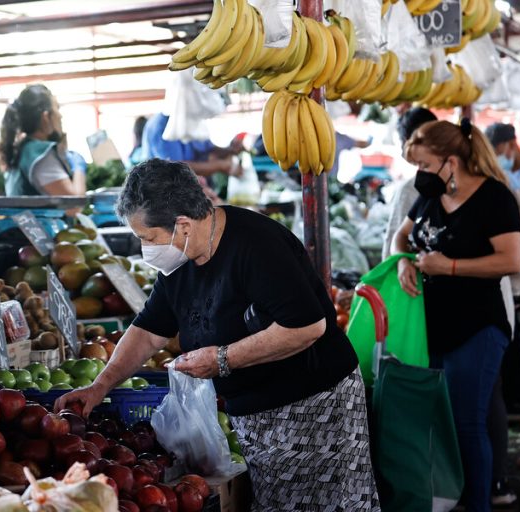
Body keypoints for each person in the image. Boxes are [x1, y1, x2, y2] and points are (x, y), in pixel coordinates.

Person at [57, 159, 380, 511]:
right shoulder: (179, 261)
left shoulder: (257, 245)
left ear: (182, 225)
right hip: (255, 415)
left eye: (147, 238)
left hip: (314, 408)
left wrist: (222, 358)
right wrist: (99, 386)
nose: (144, 249)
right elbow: (149, 331)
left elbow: (307, 325)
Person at [392, 119, 520, 512]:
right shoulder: (431, 198)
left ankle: (478, 504)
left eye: (426, 166)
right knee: (443, 422)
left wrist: (447, 267)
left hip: (478, 326)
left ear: (451, 162)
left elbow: (512, 260)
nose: (421, 175)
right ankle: (453, 499)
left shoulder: (493, 198)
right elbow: (404, 236)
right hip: (433, 327)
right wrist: (403, 262)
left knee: (468, 423)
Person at [485, 123, 520, 310]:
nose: (498, 157)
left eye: (498, 151)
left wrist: (516, 237)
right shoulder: (501, 175)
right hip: (514, 244)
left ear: (512, 144)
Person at [0, 84, 85, 197]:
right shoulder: (39, 154)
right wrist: (79, 169)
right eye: (57, 108)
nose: (60, 115)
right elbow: (73, 205)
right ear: (45, 117)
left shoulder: (22, 148)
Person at [381, 107, 438, 260]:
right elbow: (398, 236)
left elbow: (392, 242)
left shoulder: (413, 188)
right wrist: (402, 262)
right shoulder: (417, 188)